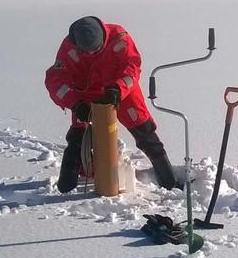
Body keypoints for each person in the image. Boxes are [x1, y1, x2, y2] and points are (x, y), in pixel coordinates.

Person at [45, 16, 177, 193]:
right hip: (86, 96)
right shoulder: (68, 49)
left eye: (96, 50)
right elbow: (55, 82)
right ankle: (66, 187)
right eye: (87, 52)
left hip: (121, 91)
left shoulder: (120, 38)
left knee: (145, 133)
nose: (91, 54)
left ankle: (169, 181)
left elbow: (132, 68)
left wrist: (117, 89)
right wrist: (75, 104)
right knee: (78, 138)